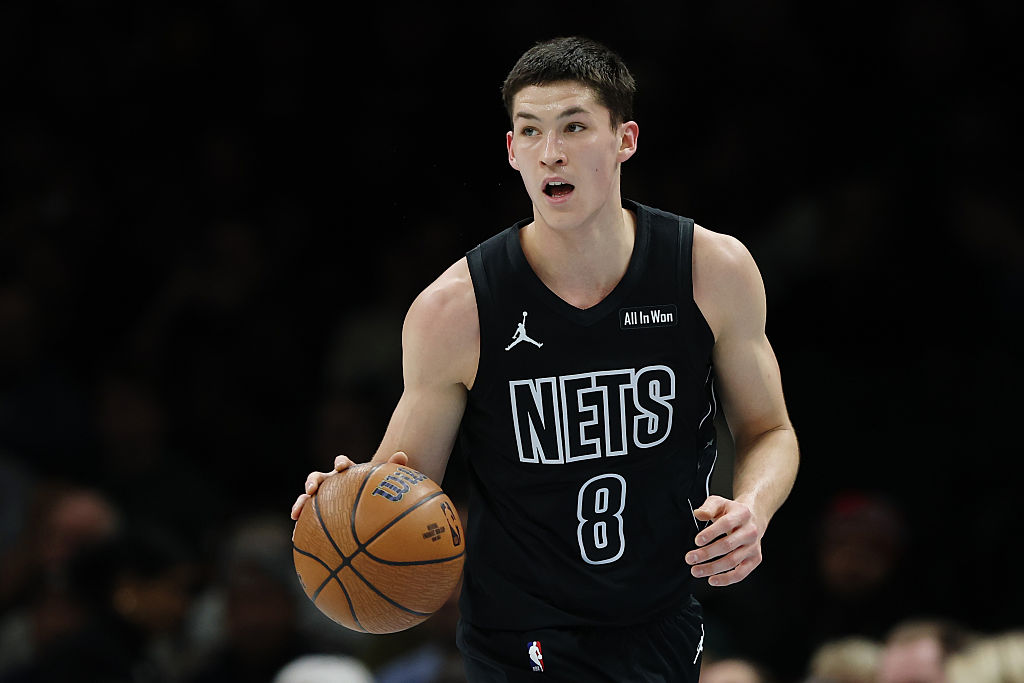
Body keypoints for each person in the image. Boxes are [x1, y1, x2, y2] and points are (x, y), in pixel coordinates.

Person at [291, 36, 799, 682]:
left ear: (626, 139)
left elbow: (770, 429)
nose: (550, 151)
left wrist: (753, 506)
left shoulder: (709, 269)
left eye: (575, 126)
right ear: (511, 151)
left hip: (659, 615)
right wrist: (347, 498)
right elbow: (404, 478)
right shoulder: (456, 309)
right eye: (529, 131)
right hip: (519, 630)